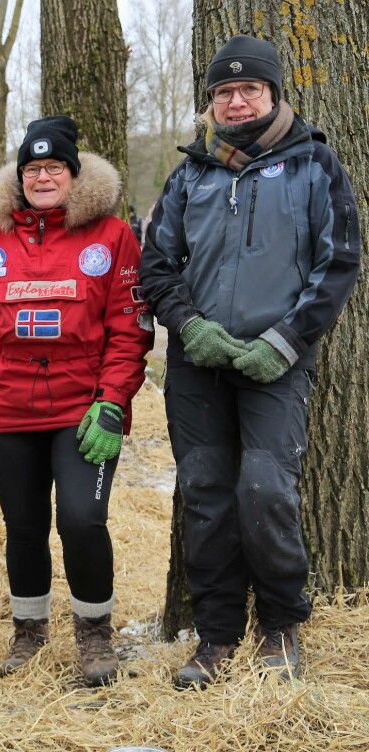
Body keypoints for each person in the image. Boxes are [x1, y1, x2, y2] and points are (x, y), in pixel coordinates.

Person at [139, 35, 361, 689]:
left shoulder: (315, 164)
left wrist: (284, 342)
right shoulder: (190, 171)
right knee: (206, 496)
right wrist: (190, 327)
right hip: (198, 363)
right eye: (223, 92)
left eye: (249, 90)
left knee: (263, 491)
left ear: (273, 94)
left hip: (278, 362)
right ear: (212, 101)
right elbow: (156, 262)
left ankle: (282, 625)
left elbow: (339, 263)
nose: (236, 101)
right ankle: (215, 637)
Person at [0, 116, 153, 684]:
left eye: (54, 167)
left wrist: (113, 401)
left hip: (81, 406)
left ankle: (94, 634)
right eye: (32, 169)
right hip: (8, 404)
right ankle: (28, 630)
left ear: (73, 173)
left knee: (83, 520)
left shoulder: (111, 236)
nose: (42, 177)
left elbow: (129, 329)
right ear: (18, 177)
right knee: (24, 525)